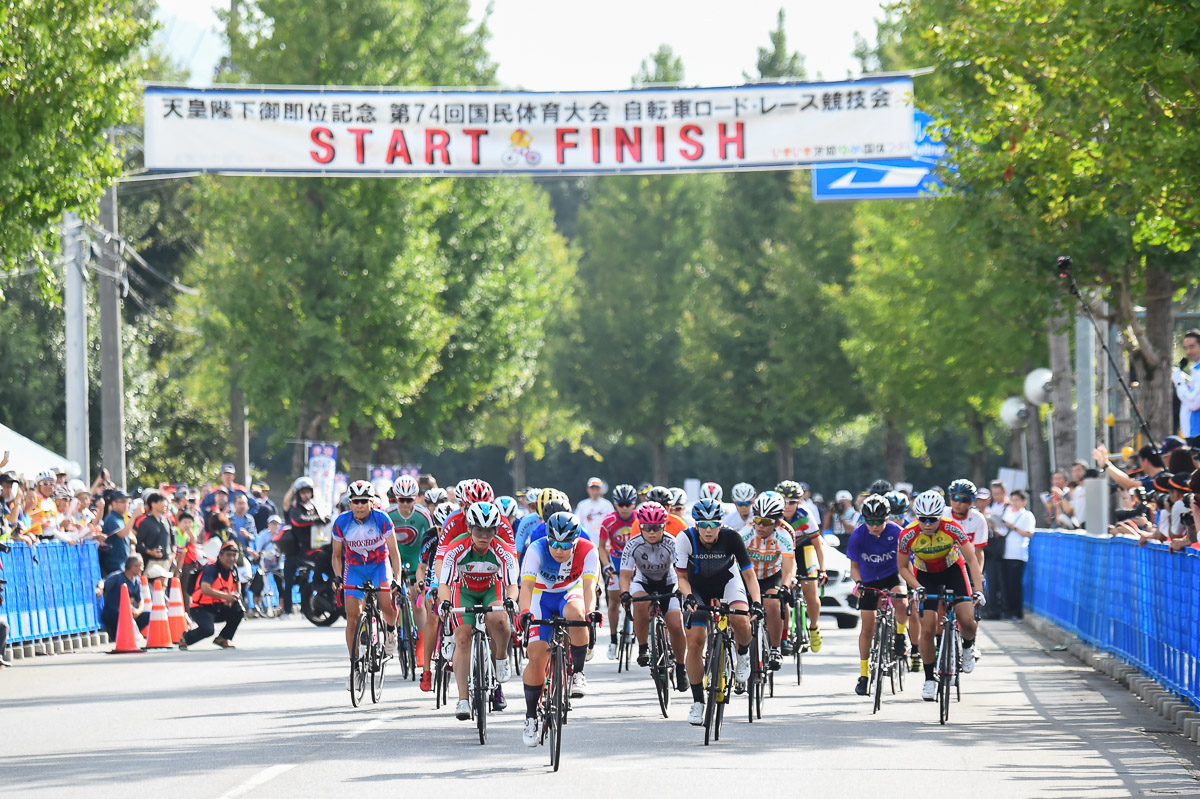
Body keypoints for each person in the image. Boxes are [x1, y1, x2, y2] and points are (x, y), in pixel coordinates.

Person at [675, 498, 762, 727]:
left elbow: (749, 575)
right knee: (694, 641)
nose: (708, 529)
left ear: (720, 524)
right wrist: (689, 598)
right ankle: (697, 702)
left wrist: (757, 603)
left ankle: (742, 654)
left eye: (713, 524)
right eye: (703, 524)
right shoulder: (685, 538)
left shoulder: (732, 537)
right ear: (696, 525)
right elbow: (682, 578)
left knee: (741, 620)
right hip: (697, 588)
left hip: (728, 582)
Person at [518, 512, 600, 747]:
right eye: (554, 543)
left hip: (568, 593)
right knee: (536, 657)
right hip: (540, 597)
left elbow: (589, 587)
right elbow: (526, 587)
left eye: (565, 545)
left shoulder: (587, 549)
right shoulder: (536, 549)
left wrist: (590, 612)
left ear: (575, 541)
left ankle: (578, 673)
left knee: (578, 615)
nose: (559, 550)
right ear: (547, 539)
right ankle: (531, 716)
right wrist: (525, 613)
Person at [897, 491, 985, 702]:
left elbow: (972, 560)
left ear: (940, 516)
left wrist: (978, 589)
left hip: (953, 569)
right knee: (927, 629)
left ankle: (967, 647)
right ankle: (929, 679)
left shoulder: (952, 528)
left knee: (968, 621)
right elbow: (902, 566)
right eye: (922, 519)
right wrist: (917, 587)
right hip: (925, 575)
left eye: (932, 519)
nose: (927, 524)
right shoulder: (908, 534)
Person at [438, 501, 519, 720]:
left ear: (496, 530)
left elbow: (512, 585)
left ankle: (501, 656)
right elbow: (444, 583)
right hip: (464, 591)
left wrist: (510, 600)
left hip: (492, 590)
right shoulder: (456, 548)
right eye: (478, 530)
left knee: (499, 619)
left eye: (489, 530)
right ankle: (463, 699)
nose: (483, 536)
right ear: (469, 529)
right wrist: (445, 603)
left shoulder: (503, 550)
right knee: (462, 638)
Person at [332, 481, 402, 688]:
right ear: (350, 503)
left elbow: (394, 554)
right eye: (356, 501)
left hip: (379, 566)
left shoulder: (382, 519)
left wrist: (396, 578)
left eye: (364, 501)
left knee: (387, 605)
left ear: (372, 503)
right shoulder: (341, 522)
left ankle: (390, 632)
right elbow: (336, 556)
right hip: (354, 569)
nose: (360, 505)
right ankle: (354, 667)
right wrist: (337, 577)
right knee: (352, 618)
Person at [618, 504, 687, 691]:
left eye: (656, 527)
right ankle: (643, 648)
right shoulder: (633, 544)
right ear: (640, 526)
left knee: (675, 625)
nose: (651, 532)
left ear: (664, 526)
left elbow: (682, 572)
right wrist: (624, 594)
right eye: (646, 527)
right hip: (643, 582)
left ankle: (681, 667)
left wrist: (682, 590)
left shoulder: (672, 542)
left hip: (669, 583)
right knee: (640, 604)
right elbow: (624, 575)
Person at [847, 494, 910, 696]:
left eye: (879, 522)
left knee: (901, 601)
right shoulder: (858, 535)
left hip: (891, 575)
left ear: (887, 518)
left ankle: (900, 636)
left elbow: (907, 563)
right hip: (868, 580)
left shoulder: (897, 532)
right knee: (867, 628)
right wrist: (859, 584)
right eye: (869, 522)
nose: (874, 526)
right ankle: (864, 675)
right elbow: (854, 567)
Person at [739, 493, 795, 671]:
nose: (761, 526)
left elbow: (787, 568)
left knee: (772, 603)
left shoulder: (784, 536)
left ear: (777, 523)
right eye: (758, 520)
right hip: (749, 577)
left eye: (767, 522)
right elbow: (731, 564)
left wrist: (785, 586)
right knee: (739, 611)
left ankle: (775, 648)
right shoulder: (745, 534)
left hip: (772, 575)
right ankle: (740, 652)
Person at [776, 481, 826, 654]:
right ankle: (785, 633)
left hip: (804, 549)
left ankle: (813, 627)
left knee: (810, 591)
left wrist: (822, 570)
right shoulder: (775, 516)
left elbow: (818, 545)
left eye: (792, 501)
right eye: (784, 501)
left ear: (799, 502)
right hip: (785, 551)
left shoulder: (805, 515)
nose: (788, 506)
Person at [597, 484, 638, 660]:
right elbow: (601, 547)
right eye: (620, 504)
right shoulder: (608, 521)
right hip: (616, 562)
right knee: (614, 601)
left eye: (627, 504)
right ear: (615, 504)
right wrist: (606, 566)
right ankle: (613, 640)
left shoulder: (640, 520)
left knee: (641, 598)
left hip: (637, 562)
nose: (624, 508)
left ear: (634, 504)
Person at [181, 541, 244, 649]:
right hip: (200, 608)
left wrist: (235, 597)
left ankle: (223, 638)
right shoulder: (212, 569)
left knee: (238, 610)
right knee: (208, 630)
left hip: (218, 607)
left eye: (234, 555)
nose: (232, 558)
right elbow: (205, 589)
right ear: (220, 555)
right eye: (228, 555)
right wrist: (226, 596)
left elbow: (237, 585)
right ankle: (186, 638)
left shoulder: (233, 569)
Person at [281, 476, 329, 617]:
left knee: (306, 582)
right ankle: (287, 611)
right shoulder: (294, 509)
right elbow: (298, 521)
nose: (306, 495)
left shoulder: (314, 507)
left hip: (311, 548)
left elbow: (324, 519)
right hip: (295, 551)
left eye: (308, 492)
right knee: (289, 582)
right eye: (303, 492)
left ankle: (305, 610)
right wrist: (317, 518)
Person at [996, 489, 1034, 621]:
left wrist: (1013, 527)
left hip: (1018, 554)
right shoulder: (1008, 512)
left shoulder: (1027, 515)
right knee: (1005, 585)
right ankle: (1007, 611)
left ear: (1024, 502)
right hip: (1005, 553)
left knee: (1015, 585)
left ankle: (1017, 612)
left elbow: (1029, 533)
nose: (1014, 503)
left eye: (1017, 500)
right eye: (1013, 500)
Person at [101, 554, 150, 639]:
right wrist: (100, 589)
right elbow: (103, 582)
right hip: (113, 613)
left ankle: (131, 633)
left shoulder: (136, 582)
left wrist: (138, 611)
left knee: (149, 615)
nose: (142, 569)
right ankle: (117, 634)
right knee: (119, 614)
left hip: (129, 612)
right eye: (140, 566)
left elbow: (140, 601)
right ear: (133, 566)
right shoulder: (117, 577)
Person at [134, 492, 174, 582]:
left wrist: (172, 554)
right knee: (149, 589)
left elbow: (173, 539)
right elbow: (139, 543)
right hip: (151, 562)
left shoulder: (167, 520)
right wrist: (150, 552)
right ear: (153, 504)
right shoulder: (145, 522)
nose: (165, 504)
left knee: (162, 589)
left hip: (166, 561)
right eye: (162, 502)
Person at [1172, 329, 1200, 438]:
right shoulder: (1195, 371)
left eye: (1192, 347)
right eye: (1186, 348)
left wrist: (1180, 384)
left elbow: (1194, 403)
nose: (1188, 352)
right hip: (1193, 433)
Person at [98, 490, 133, 577]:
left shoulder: (121, 518)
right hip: (114, 566)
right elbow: (122, 534)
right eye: (122, 502)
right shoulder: (111, 518)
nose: (126, 505)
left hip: (123, 564)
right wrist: (135, 515)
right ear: (114, 503)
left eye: (127, 502)